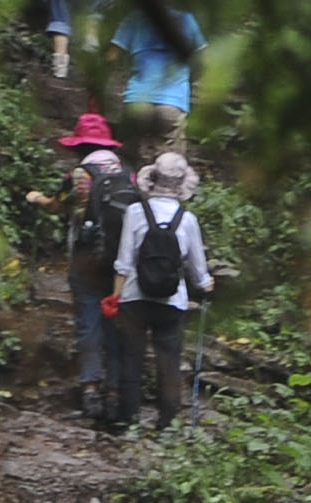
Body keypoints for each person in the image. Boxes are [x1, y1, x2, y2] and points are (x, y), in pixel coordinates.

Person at [115, 149, 209, 427]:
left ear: (152, 179)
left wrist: (116, 296)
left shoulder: (134, 212)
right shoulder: (187, 219)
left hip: (134, 297)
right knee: (168, 361)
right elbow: (198, 270)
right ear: (181, 185)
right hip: (172, 300)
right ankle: (167, 422)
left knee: (131, 357)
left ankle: (127, 419)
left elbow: (123, 261)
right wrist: (206, 284)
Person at [51, 112, 131, 424]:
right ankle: (114, 391)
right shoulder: (128, 173)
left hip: (85, 261)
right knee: (115, 324)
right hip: (119, 264)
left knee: (88, 322)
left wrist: (39, 200)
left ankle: (90, 388)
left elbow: (58, 204)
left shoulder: (79, 175)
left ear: (79, 146)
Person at [113, 3, 198, 166]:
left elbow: (112, 56)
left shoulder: (134, 18)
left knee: (127, 153)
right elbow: (200, 57)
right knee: (170, 161)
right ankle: (164, 189)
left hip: (138, 99)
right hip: (173, 101)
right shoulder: (187, 20)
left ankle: (126, 185)